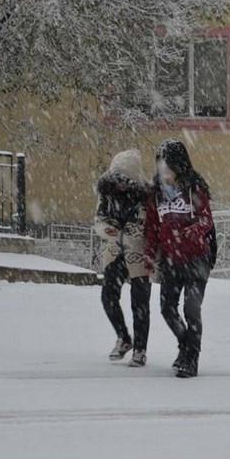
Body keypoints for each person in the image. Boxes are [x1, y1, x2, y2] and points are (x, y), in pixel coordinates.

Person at [145, 140, 215, 378]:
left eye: (167, 166)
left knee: (191, 308)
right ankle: (185, 345)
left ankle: (191, 359)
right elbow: (153, 228)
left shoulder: (194, 189)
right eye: (160, 166)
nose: (163, 172)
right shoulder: (156, 195)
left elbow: (207, 220)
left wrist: (193, 230)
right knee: (167, 308)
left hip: (197, 259)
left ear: (179, 166)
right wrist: (149, 255)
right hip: (171, 261)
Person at [95, 149, 151, 367]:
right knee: (108, 295)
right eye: (116, 178)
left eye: (124, 179)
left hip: (139, 253)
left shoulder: (146, 197)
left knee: (140, 302)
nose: (120, 184)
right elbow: (99, 219)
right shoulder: (106, 194)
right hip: (115, 251)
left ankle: (140, 349)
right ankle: (123, 337)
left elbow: (149, 226)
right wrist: (107, 229)